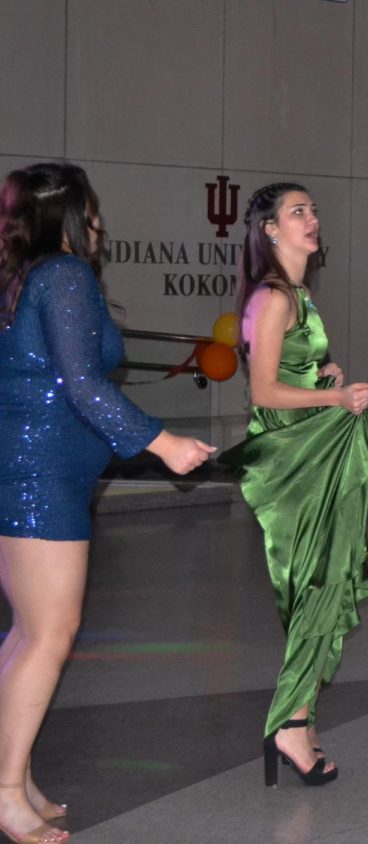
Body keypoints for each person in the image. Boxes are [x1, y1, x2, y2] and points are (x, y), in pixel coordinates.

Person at [0, 162, 214, 844]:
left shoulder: (21, 278)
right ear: (68, 215)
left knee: (26, 634)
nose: (100, 223)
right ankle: (5, 794)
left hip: (27, 467)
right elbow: (83, 385)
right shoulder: (63, 276)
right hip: (43, 478)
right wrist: (163, 442)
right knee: (49, 635)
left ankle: (17, 777)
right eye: (90, 210)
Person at [219, 183, 368, 786]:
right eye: (297, 212)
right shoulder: (272, 297)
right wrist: (333, 396)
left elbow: (289, 369)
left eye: (313, 210)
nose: (312, 219)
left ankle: (300, 716)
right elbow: (261, 392)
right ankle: (289, 723)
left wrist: (322, 372)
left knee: (324, 581)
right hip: (292, 462)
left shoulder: (298, 295)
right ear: (268, 229)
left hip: (310, 451)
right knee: (313, 583)